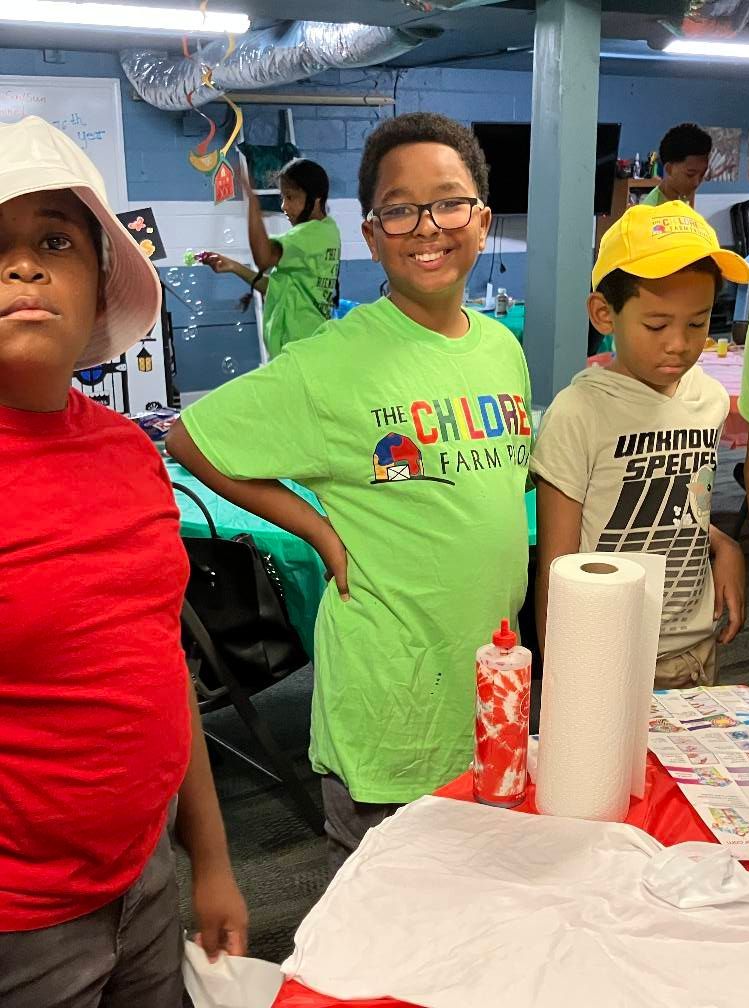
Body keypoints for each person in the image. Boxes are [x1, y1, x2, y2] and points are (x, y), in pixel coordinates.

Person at [166, 112, 533, 874]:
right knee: (385, 945)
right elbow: (190, 438)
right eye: (400, 208)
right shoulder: (330, 363)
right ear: (371, 235)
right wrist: (319, 531)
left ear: (483, 219)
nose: (427, 225)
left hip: (488, 702)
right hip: (389, 715)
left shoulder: (503, 348)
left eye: (450, 202)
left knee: (483, 923)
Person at [0, 116, 247, 1008]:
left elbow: (160, 666)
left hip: (144, 885)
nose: (23, 266)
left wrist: (208, 861)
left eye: (54, 242)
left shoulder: (128, 453)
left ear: (102, 287)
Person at [532, 201, 749, 689]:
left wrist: (723, 542)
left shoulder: (710, 400)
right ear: (604, 313)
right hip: (603, 656)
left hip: (694, 651)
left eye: (697, 322)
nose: (679, 343)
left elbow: (682, 503)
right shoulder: (577, 414)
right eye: (656, 325)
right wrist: (564, 677)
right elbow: (557, 569)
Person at [201, 158, 341, 359]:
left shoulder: (310, 235)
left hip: (300, 350)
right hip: (303, 348)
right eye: (283, 197)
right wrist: (234, 267)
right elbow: (276, 287)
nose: (284, 206)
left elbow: (264, 258)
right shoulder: (326, 231)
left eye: (291, 197)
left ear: (316, 199)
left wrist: (252, 201)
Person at [642, 123, 712, 207]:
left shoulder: (684, 196)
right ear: (669, 169)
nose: (696, 183)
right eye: (690, 174)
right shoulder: (650, 208)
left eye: (702, 175)